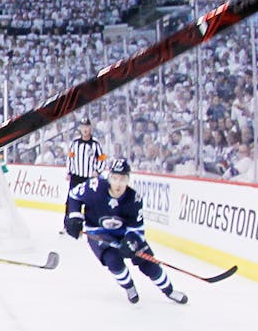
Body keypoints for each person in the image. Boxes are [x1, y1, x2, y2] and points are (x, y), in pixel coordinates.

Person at [65, 157, 187, 304]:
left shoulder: (134, 199)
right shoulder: (94, 187)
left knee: (149, 263)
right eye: (115, 178)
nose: (118, 183)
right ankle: (129, 287)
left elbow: (137, 229)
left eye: (122, 179)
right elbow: (74, 195)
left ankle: (170, 291)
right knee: (113, 260)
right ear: (109, 177)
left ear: (128, 180)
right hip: (98, 231)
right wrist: (74, 217)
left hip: (123, 232)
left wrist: (131, 241)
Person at [64, 118, 105, 226]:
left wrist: (98, 171)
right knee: (71, 201)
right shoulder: (75, 143)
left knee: (90, 202)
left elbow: (102, 158)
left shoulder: (95, 144)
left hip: (89, 179)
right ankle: (68, 225)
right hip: (76, 177)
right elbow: (70, 157)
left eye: (87, 127)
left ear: (90, 128)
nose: (85, 129)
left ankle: (90, 225)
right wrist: (69, 172)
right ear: (80, 129)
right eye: (83, 127)